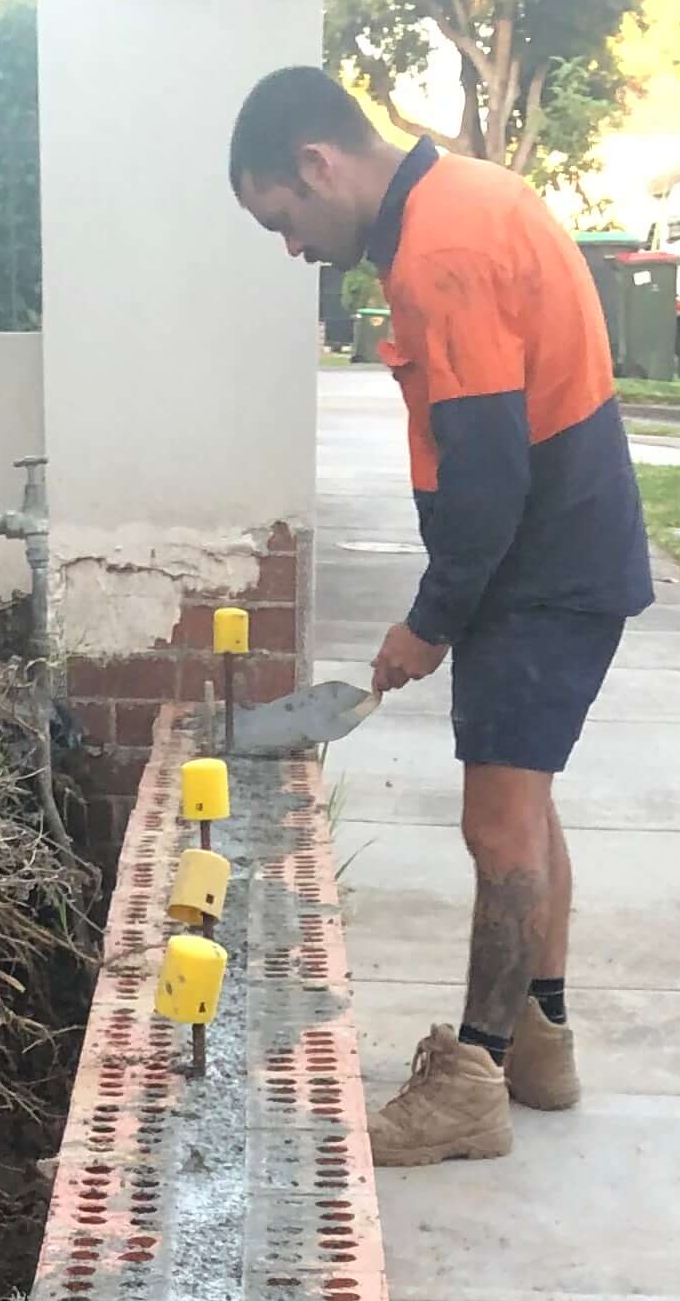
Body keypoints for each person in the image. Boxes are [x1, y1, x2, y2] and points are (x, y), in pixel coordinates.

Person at [229, 66, 652, 1171]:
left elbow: (487, 474)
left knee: (498, 830)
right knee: (529, 810)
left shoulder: (442, 252)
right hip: (561, 553)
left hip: (538, 567)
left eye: (284, 218)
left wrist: (430, 620)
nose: (291, 247)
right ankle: (538, 1043)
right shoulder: (466, 196)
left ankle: (470, 1079)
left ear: (318, 165)